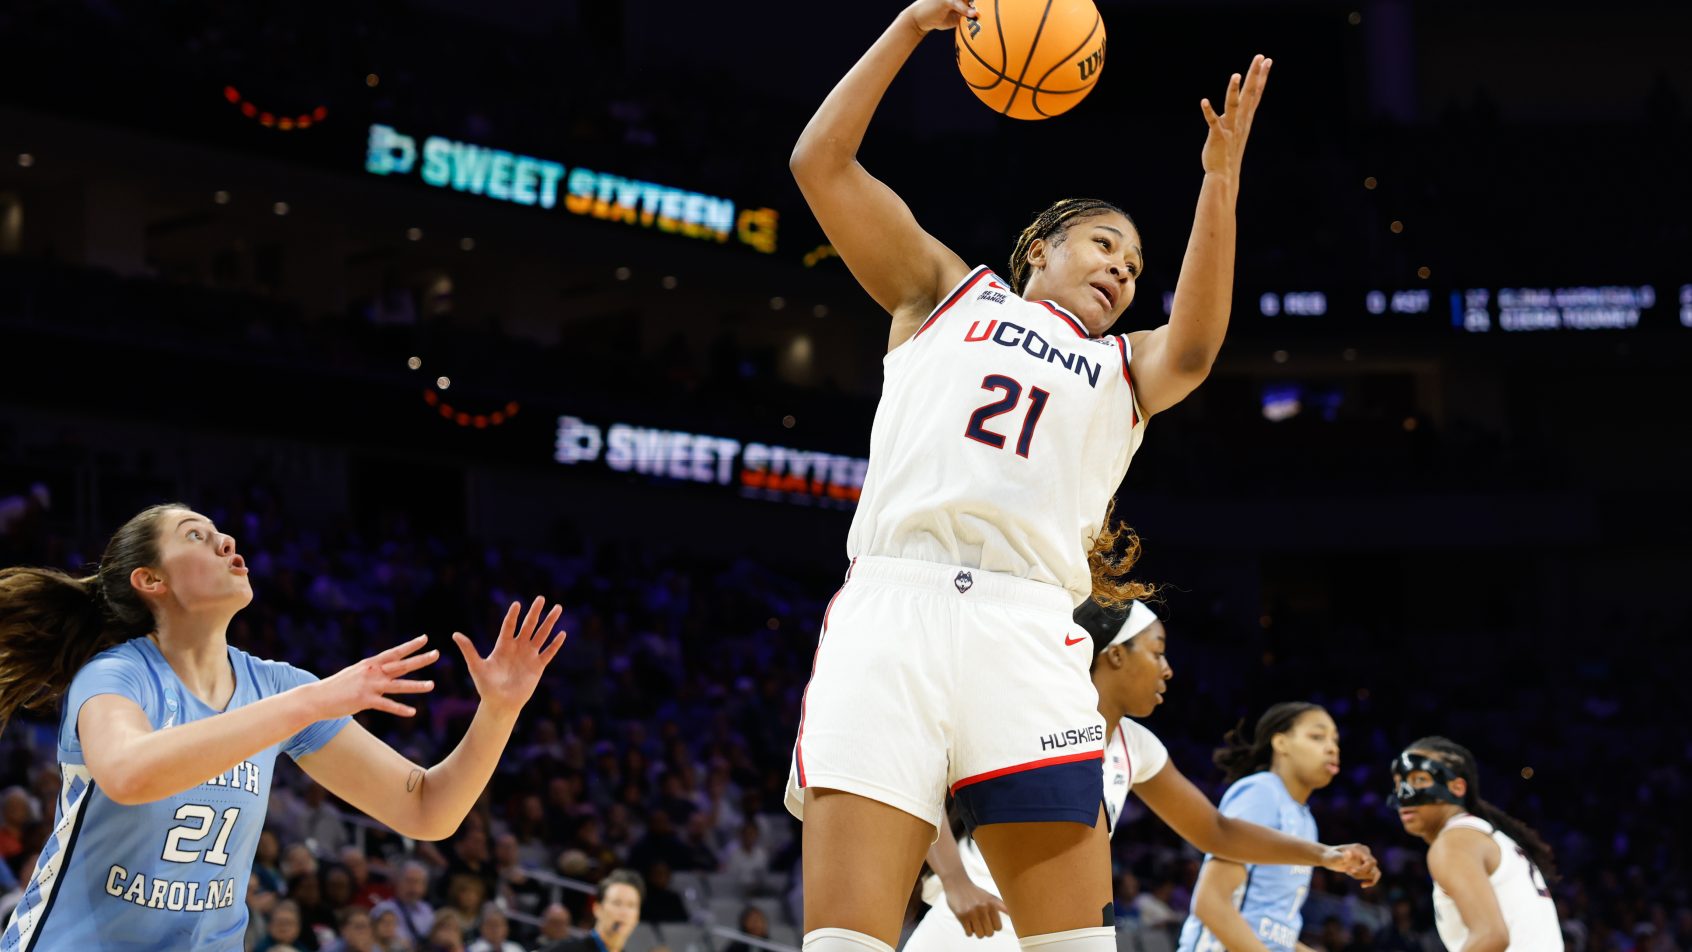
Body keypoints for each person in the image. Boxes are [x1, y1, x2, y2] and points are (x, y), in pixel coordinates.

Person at [783, 0, 1276, 949]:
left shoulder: (1124, 368)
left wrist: (1221, 183)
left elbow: (1201, 344)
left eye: (1137, 266)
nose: (1125, 272)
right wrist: (907, 32)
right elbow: (820, 165)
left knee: (1072, 943)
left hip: (1027, 624)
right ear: (1040, 249)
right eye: (1105, 246)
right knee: (844, 940)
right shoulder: (943, 292)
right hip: (895, 608)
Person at [0, 503, 569, 950]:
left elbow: (427, 809)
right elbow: (128, 773)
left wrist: (499, 712)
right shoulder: (116, 675)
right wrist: (309, 704)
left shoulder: (277, 687)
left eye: (221, 531)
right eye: (196, 535)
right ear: (152, 581)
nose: (227, 541)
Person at [905, 602, 1377, 952]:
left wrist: (1325, 855)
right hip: (974, 925)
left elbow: (1217, 831)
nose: (1168, 670)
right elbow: (918, 776)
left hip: (1060, 930)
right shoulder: (1027, 713)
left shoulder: (1137, 746)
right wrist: (954, 880)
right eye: (1157, 653)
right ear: (1114, 655)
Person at [1174, 701, 1347, 952]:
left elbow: (1272, 934)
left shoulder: (1306, 822)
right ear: (1281, 744)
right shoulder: (1262, 792)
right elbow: (1211, 903)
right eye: (1317, 737)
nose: (1332, 748)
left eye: (1335, 740)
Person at [1391, 737, 1563, 951]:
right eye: (1399, 783)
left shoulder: (1454, 841)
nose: (1404, 794)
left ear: (1457, 787)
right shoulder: (1482, 836)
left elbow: (1491, 936)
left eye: (1419, 780)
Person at [537, 869, 644, 952]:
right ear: (597, 909)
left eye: (631, 905)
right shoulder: (567, 949)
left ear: (637, 916)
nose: (624, 912)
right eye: (617, 903)